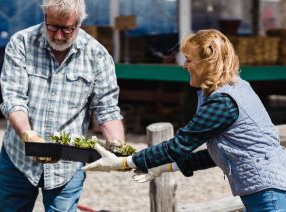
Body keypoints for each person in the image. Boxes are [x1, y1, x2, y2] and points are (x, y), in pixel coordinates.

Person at [84, 29, 286, 211]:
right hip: (268, 189)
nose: (184, 66)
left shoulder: (223, 102)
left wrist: (124, 162)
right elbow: (220, 154)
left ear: (207, 63)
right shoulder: (236, 88)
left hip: (269, 193)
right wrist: (166, 166)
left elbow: (179, 145)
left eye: (189, 60)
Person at [0, 0, 125, 211]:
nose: (58, 35)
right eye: (53, 26)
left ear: (79, 22)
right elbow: (13, 97)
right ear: (45, 17)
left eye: (66, 29)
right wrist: (27, 134)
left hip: (66, 166)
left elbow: (107, 109)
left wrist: (118, 148)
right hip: (18, 159)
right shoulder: (21, 43)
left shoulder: (97, 55)